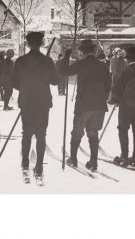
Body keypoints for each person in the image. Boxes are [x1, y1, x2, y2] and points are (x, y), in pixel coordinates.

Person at [13, 32, 59, 179]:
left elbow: (14, 82)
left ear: (28, 44)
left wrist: (26, 87)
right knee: (41, 134)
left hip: (26, 101)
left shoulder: (20, 61)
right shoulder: (47, 62)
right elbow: (55, 81)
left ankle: (25, 162)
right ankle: (39, 165)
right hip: (43, 102)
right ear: (41, 43)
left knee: (26, 133)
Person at [60, 39, 111, 171]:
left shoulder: (81, 64)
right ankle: (93, 162)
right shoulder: (103, 66)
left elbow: (63, 71)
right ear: (94, 51)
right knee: (93, 133)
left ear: (82, 52)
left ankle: (73, 159)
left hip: (84, 104)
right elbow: (108, 86)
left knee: (77, 132)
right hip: (99, 105)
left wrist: (66, 56)